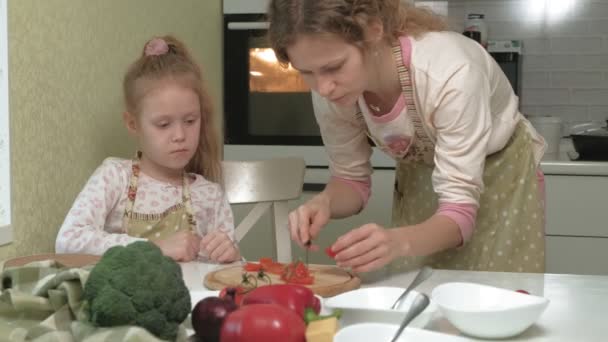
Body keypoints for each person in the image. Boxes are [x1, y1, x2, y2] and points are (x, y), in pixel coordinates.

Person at [268, 0, 546, 273]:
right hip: (422, 178)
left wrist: (398, 242)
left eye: (334, 67)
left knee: (495, 303)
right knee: (419, 301)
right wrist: (324, 202)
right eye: (306, 72)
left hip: (501, 178)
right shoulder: (331, 94)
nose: (323, 87)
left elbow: (459, 214)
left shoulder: (450, 74)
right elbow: (351, 182)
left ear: (374, 30)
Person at [56, 36, 240, 263]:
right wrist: (153, 247)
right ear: (133, 124)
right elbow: (68, 241)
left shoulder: (210, 196)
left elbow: (227, 279)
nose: (180, 135)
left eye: (191, 121)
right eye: (164, 124)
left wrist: (232, 256)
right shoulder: (114, 177)